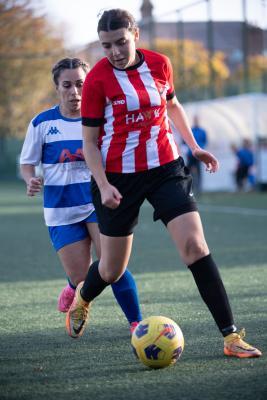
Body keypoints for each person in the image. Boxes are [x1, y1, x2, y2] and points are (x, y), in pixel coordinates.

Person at [66, 9, 261, 358]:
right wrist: (103, 183)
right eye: (107, 45)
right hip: (117, 179)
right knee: (112, 269)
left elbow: (172, 106)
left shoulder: (159, 64)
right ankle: (83, 297)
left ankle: (231, 337)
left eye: (121, 42)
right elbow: (90, 143)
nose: (114, 51)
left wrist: (195, 146)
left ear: (136, 35)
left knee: (195, 247)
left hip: (165, 167)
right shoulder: (96, 80)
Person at [19, 57, 142, 333]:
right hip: (60, 209)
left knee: (113, 266)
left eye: (80, 85)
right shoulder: (41, 123)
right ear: (57, 87)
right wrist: (30, 179)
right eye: (67, 85)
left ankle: (137, 323)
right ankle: (74, 287)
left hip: (97, 203)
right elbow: (27, 163)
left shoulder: (103, 119)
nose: (74, 92)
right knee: (82, 275)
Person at [186, 115, 208, 195]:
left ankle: (199, 189)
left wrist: (200, 149)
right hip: (190, 154)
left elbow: (205, 141)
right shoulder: (190, 130)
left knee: (199, 172)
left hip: (199, 155)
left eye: (197, 119)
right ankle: (188, 188)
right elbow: (185, 141)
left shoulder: (202, 131)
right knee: (188, 171)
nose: (196, 121)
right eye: (195, 119)